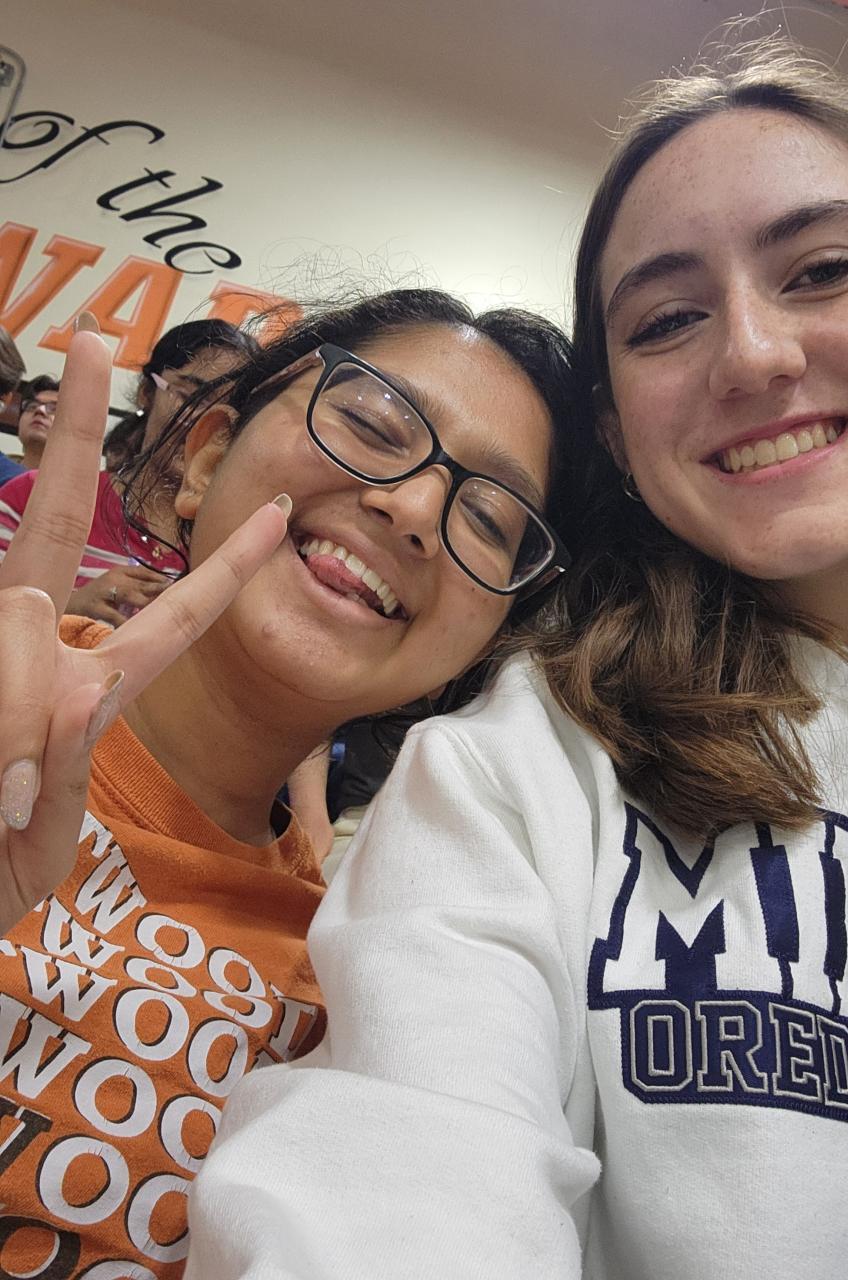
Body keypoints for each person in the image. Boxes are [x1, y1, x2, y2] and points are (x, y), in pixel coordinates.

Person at [185, 35, 848, 1280]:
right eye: (667, 319)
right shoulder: (522, 768)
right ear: (618, 431)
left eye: (823, 270)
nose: (754, 354)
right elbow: (402, 1174)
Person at [0, 286, 581, 1279]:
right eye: (372, 424)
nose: (414, 508)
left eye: (488, 517)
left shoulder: (352, 993)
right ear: (208, 457)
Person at [0, 321, 257, 626]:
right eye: (191, 396)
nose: (206, 422)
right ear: (146, 392)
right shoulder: (33, 498)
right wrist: (72, 605)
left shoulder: (231, 551)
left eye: (230, 411)